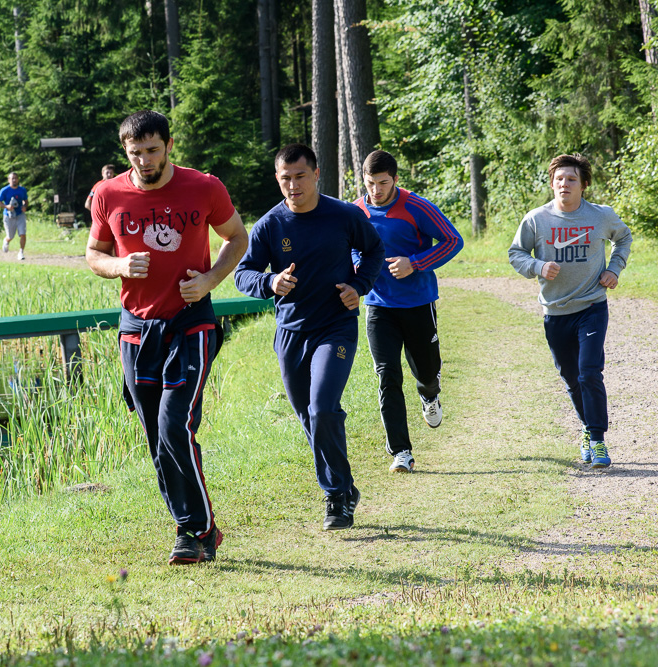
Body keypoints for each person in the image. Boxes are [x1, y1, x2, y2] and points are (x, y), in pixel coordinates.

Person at [86, 110, 248, 564]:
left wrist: (211, 280)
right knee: (154, 435)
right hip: (136, 330)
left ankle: (194, 529)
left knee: (174, 426)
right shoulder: (107, 193)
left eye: (153, 150)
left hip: (190, 322)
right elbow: (94, 253)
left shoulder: (204, 187)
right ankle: (193, 528)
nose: (145, 160)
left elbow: (238, 237)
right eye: (136, 153)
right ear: (125, 151)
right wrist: (118, 266)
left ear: (169, 146)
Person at [235, 143, 384, 531]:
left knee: (321, 408)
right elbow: (243, 274)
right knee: (309, 417)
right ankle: (347, 486)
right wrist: (271, 281)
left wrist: (359, 285)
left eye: (300, 176)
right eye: (285, 178)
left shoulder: (344, 215)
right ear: (277, 179)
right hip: (290, 333)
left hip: (335, 326)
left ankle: (336, 498)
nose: (293, 185)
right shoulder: (270, 225)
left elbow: (373, 251)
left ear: (316, 174)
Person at [508, 154, 632, 469]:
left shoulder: (601, 216)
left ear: (584, 185)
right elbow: (516, 253)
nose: (564, 184)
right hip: (555, 311)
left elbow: (624, 238)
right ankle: (587, 430)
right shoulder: (536, 219)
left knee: (589, 371)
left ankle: (598, 439)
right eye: (559, 179)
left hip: (591, 306)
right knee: (570, 377)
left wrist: (614, 269)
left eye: (571, 179)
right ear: (552, 183)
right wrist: (537, 265)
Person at [354, 150, 464, 474]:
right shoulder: (356, 211)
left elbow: (452, 241)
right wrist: (357, 262)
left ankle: (430, 394)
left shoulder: (416, 206)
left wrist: (414, 264)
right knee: (387, 375)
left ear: (395, 179)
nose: (376, 190)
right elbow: (349, 243)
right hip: (378, 305)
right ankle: (401, 452)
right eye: (370, 183)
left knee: (426, 372)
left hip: (418, 302)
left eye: (383, 183)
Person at [0, 172, 29, 260]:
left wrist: (25, 207)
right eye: (12, 178)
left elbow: (26, 201)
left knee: (22, 234)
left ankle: (21, 252)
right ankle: (6, 241)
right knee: (10, 236)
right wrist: (6, 206)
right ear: (9, 180)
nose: (14, 180)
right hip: (9, 215)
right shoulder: (4, 190)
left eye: (16, 178)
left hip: (20, 214)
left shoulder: (22, 190)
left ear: (18, 180)